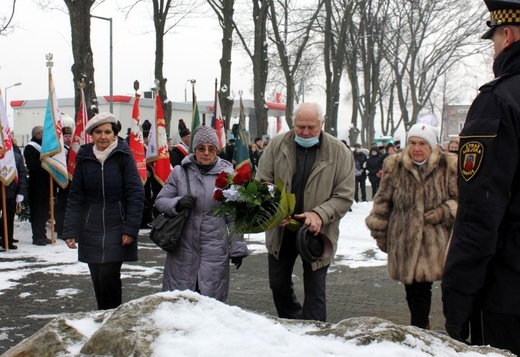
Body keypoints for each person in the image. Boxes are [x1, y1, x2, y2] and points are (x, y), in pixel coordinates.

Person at [442, 1, 520, 354]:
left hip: (509, 296)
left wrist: (457, 303)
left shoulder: (498, 101)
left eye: (493, 40)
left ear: (507, 35)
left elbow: (479, 216)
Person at [255, 102, 355, 322]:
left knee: (315, 291)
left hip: (318, 232)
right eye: (301, 127)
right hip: (282, 230)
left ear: (322, 124)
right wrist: (274, 209)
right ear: (293, 123)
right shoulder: (276, 145)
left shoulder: (339, 152)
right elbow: (262, 182)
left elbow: (344, 195)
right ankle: (293, 322)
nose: (306, 132)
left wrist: (319, 214)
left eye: (312, 127)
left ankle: (315, 334)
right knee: (278, 284)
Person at [365, 123, 458, 329]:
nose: (416, 148)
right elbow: (383, 201)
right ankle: (420, 330)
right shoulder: (395, 165)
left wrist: (443, 212)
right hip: (406, 239)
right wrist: (381, 232)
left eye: (422, 144)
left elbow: (460, 200)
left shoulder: (448, 166)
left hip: (439, 241)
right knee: (415, 291)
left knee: (450, 291)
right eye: (412, 143)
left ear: (432, 146)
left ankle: (454, 333)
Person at [155, 125, 248, 302]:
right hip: (182, 250)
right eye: (201, 148)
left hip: (214, 251)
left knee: (210, 304)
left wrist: (237, 247)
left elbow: (234, 216)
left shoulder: (228, 176)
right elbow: (160, 201)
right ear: (194, 150)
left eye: (211, 149)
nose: (206, 153)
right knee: (180, 303)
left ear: (217, 151)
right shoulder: (179, 173)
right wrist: (178, 203)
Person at [63, 112, 144, 310]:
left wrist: (130, 229)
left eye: (108, 132)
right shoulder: (84, 157)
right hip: (91, 226)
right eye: (98, 132)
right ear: (91, 134)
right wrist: (70, 230)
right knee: (98, 277)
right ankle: (102, 316)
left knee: (109, 275)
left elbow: (135, 194)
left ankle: (112, 317)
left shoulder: (123, 156)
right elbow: (76, 197)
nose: (103, 136)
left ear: (115, 134)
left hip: (118, 226)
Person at [24, 125, 51, 246]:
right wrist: (45, 160)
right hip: (36, 185)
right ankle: (37, 237)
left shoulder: (44, 147)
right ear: (38, 135)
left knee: (44, 211)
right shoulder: (30, 148)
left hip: (45, 185)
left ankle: (43, 234)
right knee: (37, 211)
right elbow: (33, 166)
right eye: (43, 134)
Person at [0, 152, 27, 250]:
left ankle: (8, 240)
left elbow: (22, 176)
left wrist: (21, 192)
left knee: (9, 218)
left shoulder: (16, 157)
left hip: (11, 192)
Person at [55, 116, 74, 240]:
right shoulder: (60, 150)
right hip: (62, 182)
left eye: (69, 136)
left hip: (72, 182)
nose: (68, 138)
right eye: (65, 136)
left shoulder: (72, 149)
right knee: (62, 207)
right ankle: (61, 230)